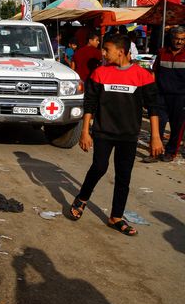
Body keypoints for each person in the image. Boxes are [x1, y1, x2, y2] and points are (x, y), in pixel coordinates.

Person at [69, 33, 163, 236]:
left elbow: (153, 108)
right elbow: (90, 104)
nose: (103, 53)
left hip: (128, 135)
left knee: (124, 176)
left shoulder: (142, 76)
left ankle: (116, 217)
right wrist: (85, 132)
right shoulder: (99, 73)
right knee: (99, 167)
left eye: (107, 50)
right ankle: (82, 198)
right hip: (103, 132)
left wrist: (155, 137)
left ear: (121, 51)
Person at [143, 25, 185, 163]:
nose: (179, 42)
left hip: (180, 97)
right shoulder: (162, 52)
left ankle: (170, 152)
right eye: (177, 39)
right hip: (161, 95)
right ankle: (155, 152)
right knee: (158, 125)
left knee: (176, 127)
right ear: (171, 39)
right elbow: (154, 72)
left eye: (182, 39)